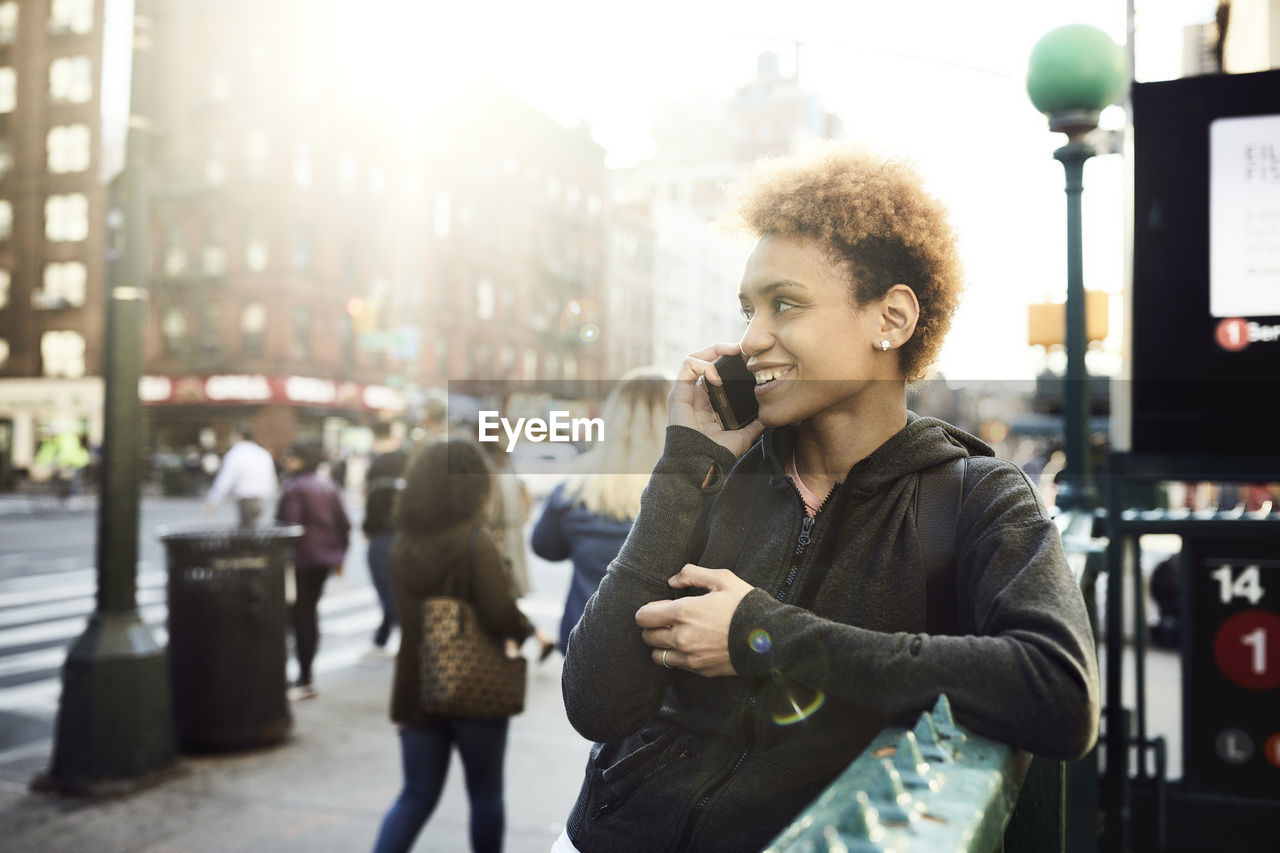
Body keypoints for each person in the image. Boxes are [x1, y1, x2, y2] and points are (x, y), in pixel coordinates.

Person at [556, 145, 1100, 852]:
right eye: (748, 308)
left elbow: (1058, 691)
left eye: (785, 304)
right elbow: (596, 702)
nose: (752, 338)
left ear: (892, 319)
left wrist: (764, 633)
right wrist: (684, 466)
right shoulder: (716, 476)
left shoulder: (975, 496)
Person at [372, 438, 554, 853]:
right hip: (473, 682)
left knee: (415, 795)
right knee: (485, 793)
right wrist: (529, 631)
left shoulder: (403, 543)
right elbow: (499, 614)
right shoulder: (475, 541)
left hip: (416, 683)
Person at [531, 369, 670, 654]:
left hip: (586, 646)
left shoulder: (574, 489)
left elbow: (544, 547)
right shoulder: (696, 491)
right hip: (659, 651)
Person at [276, 437, 351, 700]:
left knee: (297, 618)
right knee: (308, 615)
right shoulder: (327, 484)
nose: (288, 460)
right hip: (324, 561)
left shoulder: (295, 487)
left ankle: (301, 679)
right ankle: (306, 677)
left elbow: (289, 529)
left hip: (299, 562)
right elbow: (344, 524)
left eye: (292, 456)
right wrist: (339, 558)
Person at [363, 420, 409, 652]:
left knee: (386, 586)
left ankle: (398, 632)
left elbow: (371, 503)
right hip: (404, 533)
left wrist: (367, 529)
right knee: (396, 585)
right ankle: (383, 636)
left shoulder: (377, 465)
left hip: (382, 535)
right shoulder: (408, 461)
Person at [482, 440, 533, 598]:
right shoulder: (497, 462)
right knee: (506, 584)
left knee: (504, 584)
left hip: (502, 529)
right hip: (504, 529)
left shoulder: (497, 461)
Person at [205, 427, 278, 527]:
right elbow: (271, 477)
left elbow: (226, 478)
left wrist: (214, 500)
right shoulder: (263, 453)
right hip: (261, 499)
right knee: (253, 528)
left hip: (246, 499)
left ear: (240, 437)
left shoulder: (236, 453)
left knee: (247, 531)